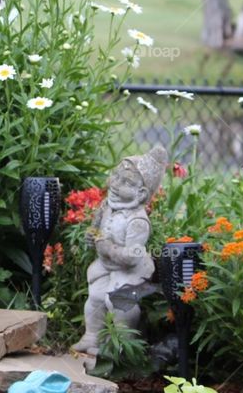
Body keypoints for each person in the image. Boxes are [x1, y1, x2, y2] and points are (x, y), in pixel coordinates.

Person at [72, 145, 167, 356]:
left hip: (130, 271)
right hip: (107, 267)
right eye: (116, 176)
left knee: (117, 302)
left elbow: (133, 257)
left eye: (126, 182)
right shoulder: (107, 206)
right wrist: (91, 236)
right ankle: (92, 337)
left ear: (140, 193)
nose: (115, 184)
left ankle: (124, 344)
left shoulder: (138, 221)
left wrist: (108, 248)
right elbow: (95, 228)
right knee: (95, 298)